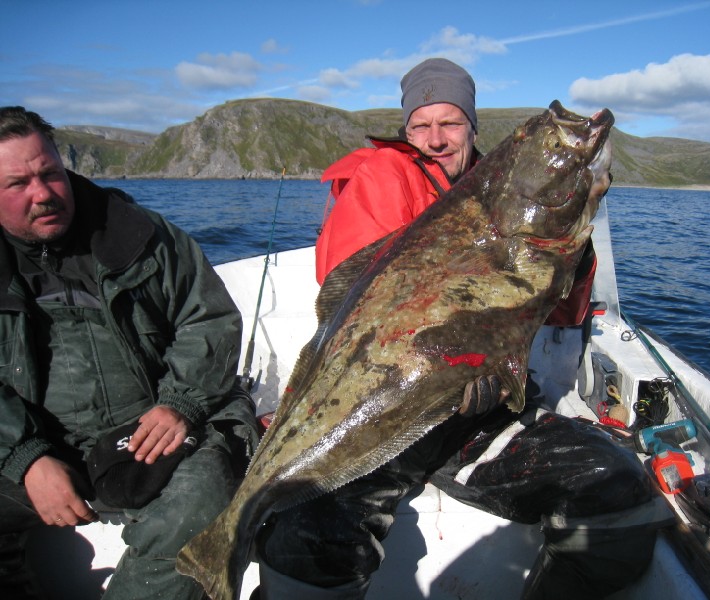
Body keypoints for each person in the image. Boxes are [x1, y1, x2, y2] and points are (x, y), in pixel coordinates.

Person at [256, 59, 673, 599]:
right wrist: (460, 363)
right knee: (304, 537)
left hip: (478, 417)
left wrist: (572, 231)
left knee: (616, 488)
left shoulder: (506, 188)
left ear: (473, 128)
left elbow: (560, 315)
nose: (435, 139)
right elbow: (368, 310)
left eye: (450, 122)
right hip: (376, 416)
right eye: (420, 126)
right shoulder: (384, 176)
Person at [0, 106, 260, 599]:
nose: (43, 194)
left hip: (154, 427)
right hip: (35, 445)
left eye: (49, 173)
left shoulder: (142, 235)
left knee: (205, 501)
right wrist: (26, 458)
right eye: (18, 184)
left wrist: (180, 403)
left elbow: (210, 319)